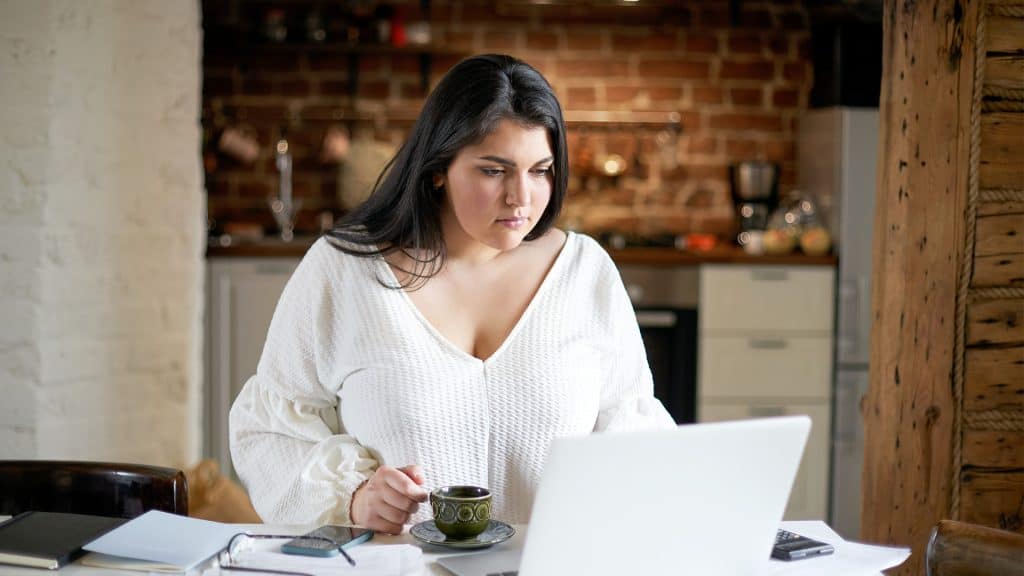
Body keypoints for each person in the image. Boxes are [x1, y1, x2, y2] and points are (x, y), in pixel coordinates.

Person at [229, 54, 674, 535]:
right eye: (493, 170)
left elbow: (634, 435)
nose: (521, 197)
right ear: (439, 168)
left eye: (540, 170)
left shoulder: (586, 273)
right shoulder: (343, 271)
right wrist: (354, 497)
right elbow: (268, 434)